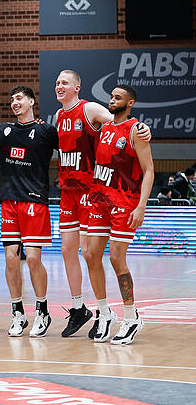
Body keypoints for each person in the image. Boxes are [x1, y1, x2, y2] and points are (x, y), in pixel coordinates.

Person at [53, 70, 150, 338]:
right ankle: (96, 310)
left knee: (112, 256)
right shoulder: (60, 117)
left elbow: (124, 127)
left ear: (77, 87)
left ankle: (129, 315)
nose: (59, 85)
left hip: (101, 192)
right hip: (75, 191)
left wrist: (141, 127)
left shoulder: (92, 110)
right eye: (57, 82)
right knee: (79, 252)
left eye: (64, 82)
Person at [0, 85, 58, 337]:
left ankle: (42, 310)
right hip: (8, 200)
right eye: (12, 99)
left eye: (19, 98)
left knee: (34, 259)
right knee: (10, 258)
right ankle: (18, 313)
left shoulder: (46, 130)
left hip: (34, 200)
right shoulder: (3, 129)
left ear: (31, 101)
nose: (14, 102)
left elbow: (71, 150)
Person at [84, 85, 153, 345]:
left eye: (118, 98)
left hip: (125, 202)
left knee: (115, 258)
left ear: (130, 103)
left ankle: (131, 315)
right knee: (91, 255)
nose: (112, 100)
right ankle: (103, 312)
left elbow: (149, 171)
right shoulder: (105, 127)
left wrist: (141, 206)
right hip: (100, 200)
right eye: (111, 96)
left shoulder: (136, 130)